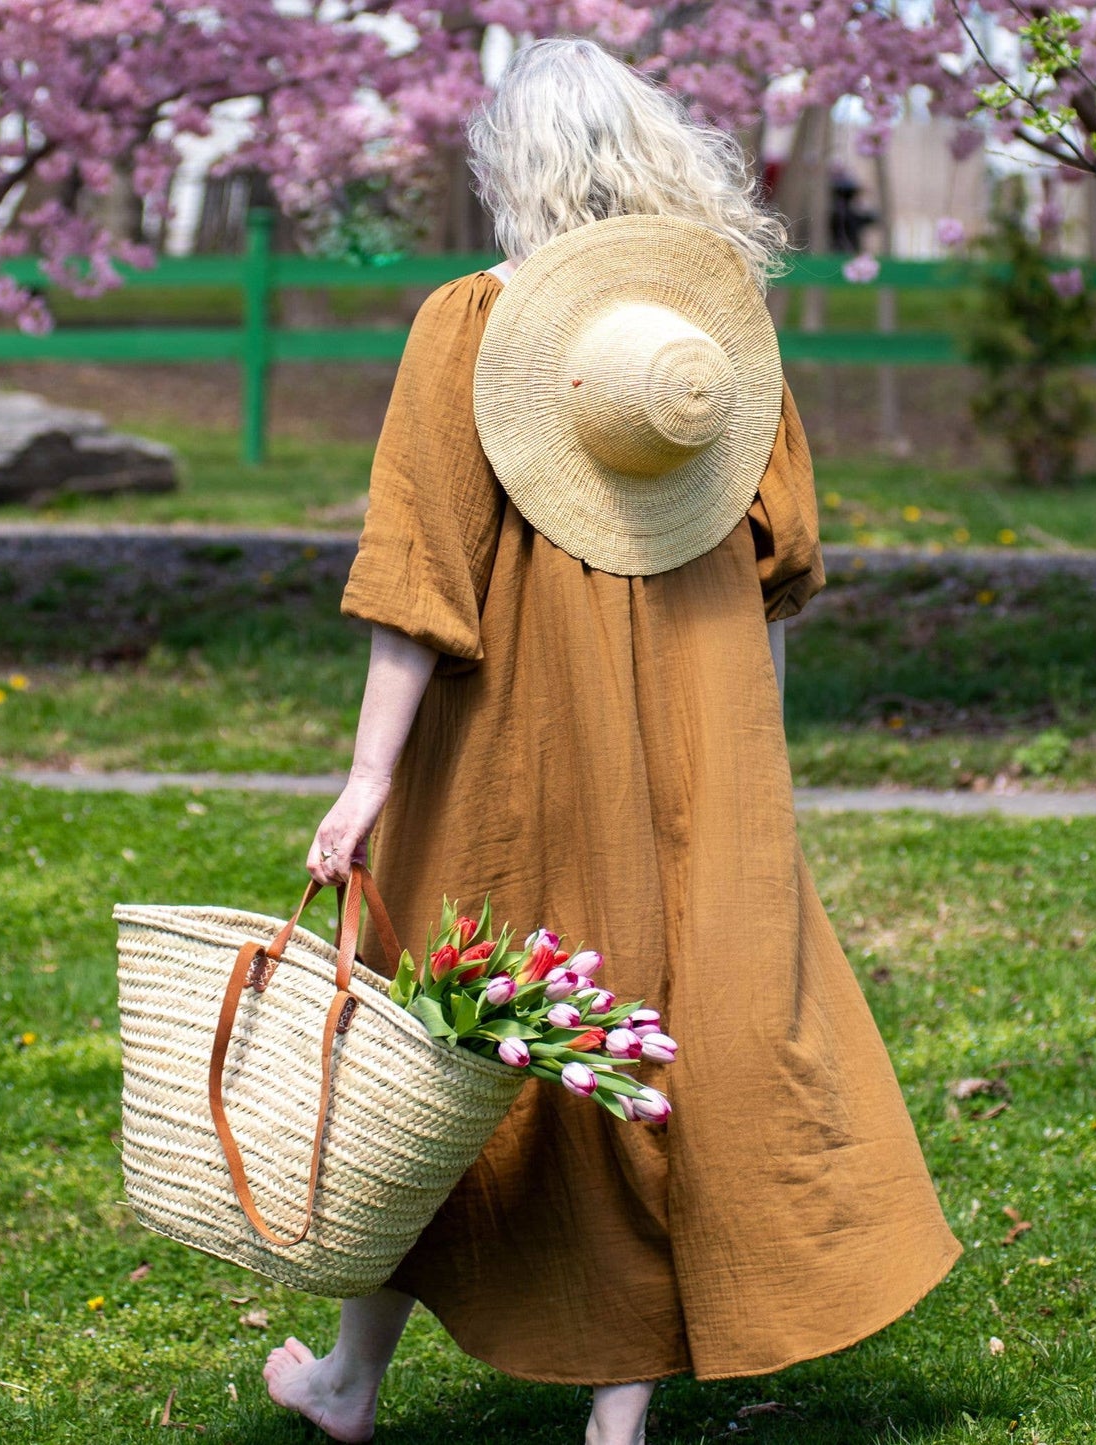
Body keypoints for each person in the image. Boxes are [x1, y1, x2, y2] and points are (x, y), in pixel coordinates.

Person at [262, 35, 962, 1445]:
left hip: (514, 737)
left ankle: (348, 1380)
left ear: (513, 169)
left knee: (460, 1034)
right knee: (661, 1019)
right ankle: (615, 1420)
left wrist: (365, 779)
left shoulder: (471, 322)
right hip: (706, 728)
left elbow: (416, 580)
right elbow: (782, 562)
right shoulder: (715, 344)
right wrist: (754, 758)